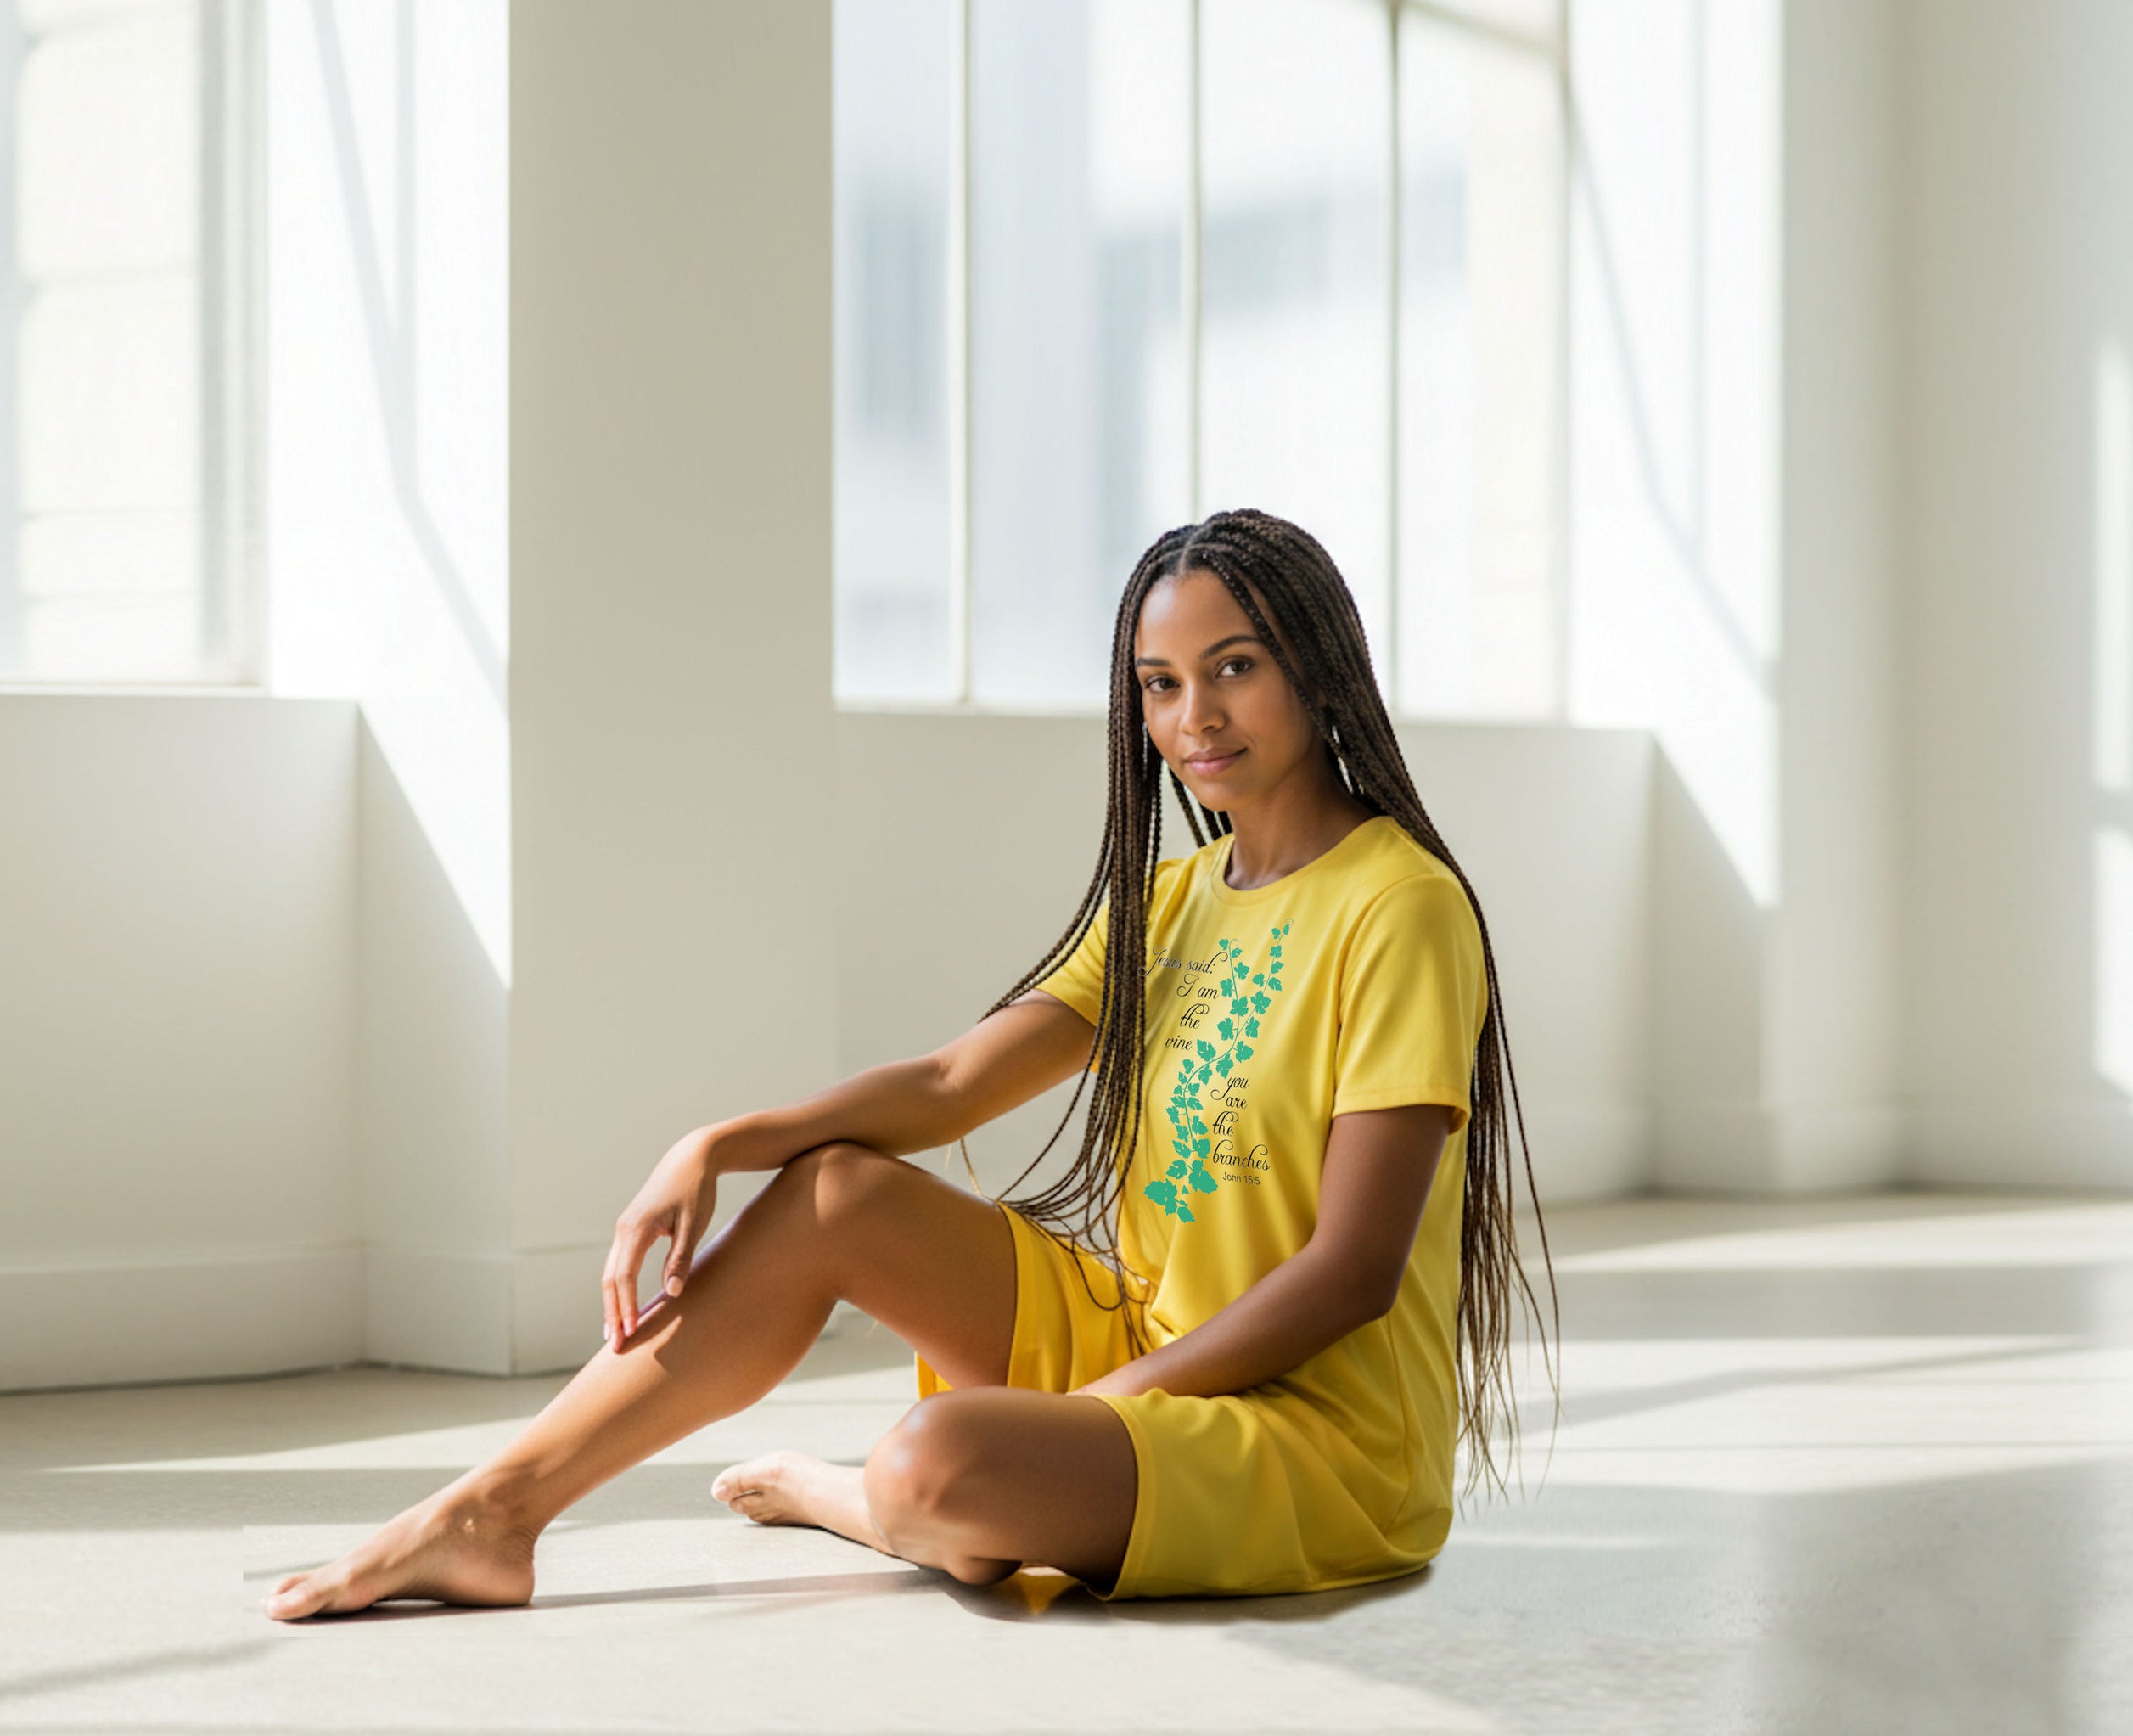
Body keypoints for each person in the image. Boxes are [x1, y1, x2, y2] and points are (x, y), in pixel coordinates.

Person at [267, 508, 1546, 1615]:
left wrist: (1120, 1404)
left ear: (1318, 673)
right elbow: (948, 1085)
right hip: (1140, 1347)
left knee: (930, 1467)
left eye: (1235, 667)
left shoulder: (1401, 905)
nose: (1193, 716)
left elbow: (1349, 1275)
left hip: (1312, 1436)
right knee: (834, 1189)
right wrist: (722, 1140)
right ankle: (497, 1511)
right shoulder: (1171, 899)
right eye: (1160, 683)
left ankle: (865, 1501)